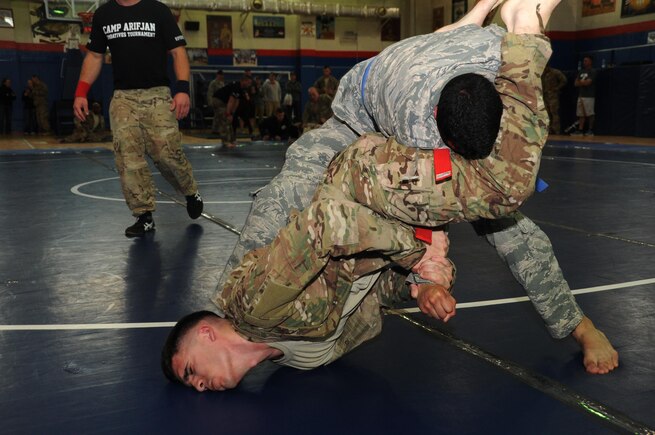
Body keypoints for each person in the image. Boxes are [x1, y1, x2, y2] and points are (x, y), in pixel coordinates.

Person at [164, 0, 616, 392]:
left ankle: (580, 326)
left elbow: (299, 212)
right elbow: (372, 287)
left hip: (357, 127)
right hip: (379, 145)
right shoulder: (303, 357)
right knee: (499, 215)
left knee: (498, 206)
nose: (201, 386)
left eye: (190, 373)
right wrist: (420, 283)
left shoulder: (248, 299)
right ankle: (456, 36)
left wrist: (418, 253)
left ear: (206, 334)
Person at [73, 0, 203, 238]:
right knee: (128, 157)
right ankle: (143, 216)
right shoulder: (104, 14)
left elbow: (178, 52)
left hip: (158, 95)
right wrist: (81, 92)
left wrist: (183, 88)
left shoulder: (158, 10)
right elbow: (94, 56)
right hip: (124, 98)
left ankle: (190, 190)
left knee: (167, 155)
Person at [213, 75, 253, 148]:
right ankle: (225, 141)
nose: (249, 85)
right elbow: (231, 101)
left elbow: (236, 102)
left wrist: (232, 114)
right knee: (224, 120)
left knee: (230, 121)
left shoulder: (241, 89)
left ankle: (231, 140)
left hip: (225, 102)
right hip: (218, 100)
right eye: (248, 83)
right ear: (244, 81)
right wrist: (228, 114)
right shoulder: (236, 86)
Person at [572, 55, 596, 136]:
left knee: (590, 113)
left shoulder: (592, 71)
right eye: (584, 60)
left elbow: (588, 82)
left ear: (590, 61)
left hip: (589, 96)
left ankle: (590, 130)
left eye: (586, 60)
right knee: (581, 114)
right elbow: (575, 83)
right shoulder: (581, 71)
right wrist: (583, 82)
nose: (584, 62)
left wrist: (581, 82)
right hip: (581, 95)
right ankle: (580, 130)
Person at [542, 64, 567, 134]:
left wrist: (557, 88)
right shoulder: (542, 74)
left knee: (554, 113)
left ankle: (556, 130)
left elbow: (564, 80)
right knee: (547, 114)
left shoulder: (555, 72)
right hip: (545, 96)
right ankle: (548, 129)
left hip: (553, 96)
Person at [207, 70, 225, 134]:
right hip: (215, 101)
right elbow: (210, 93)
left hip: (221, 101)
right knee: (217, 115)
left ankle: (217, 129)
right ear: (218, 75)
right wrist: (210, 102)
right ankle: (215, 129)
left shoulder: (222, 83)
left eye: (222, 75)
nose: (221, 76)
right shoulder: (213, 83)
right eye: (220, 75)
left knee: (219, 115)